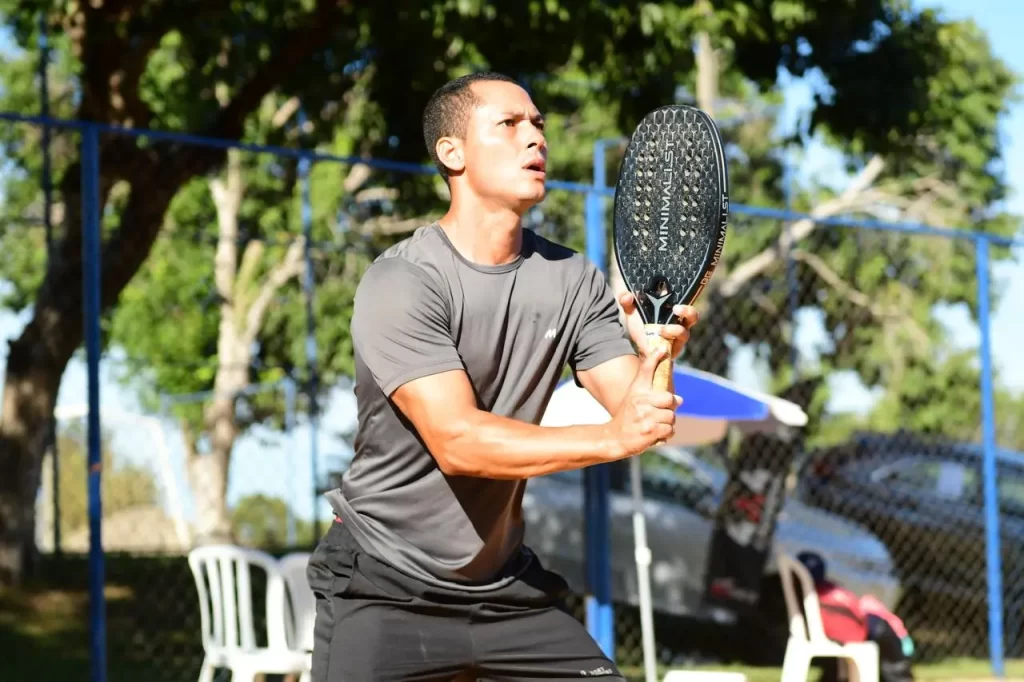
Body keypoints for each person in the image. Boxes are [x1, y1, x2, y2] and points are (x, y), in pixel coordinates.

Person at [305, 71, 700, 681]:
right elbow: (459, 442)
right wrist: (610, 439)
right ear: (452, 153)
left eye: (538, 124)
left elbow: (641, 413)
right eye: (509, 124)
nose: (534, 138)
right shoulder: (402, 281)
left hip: (502, 589)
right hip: (384, 583)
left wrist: (658, 351)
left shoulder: (572, 278)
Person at [797, 552, 915, 682]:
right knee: (881, 627)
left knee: (878, 624)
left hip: (840, 631)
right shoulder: (821, 593)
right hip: (847, 632)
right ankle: (900, 677)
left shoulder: (804, 592)